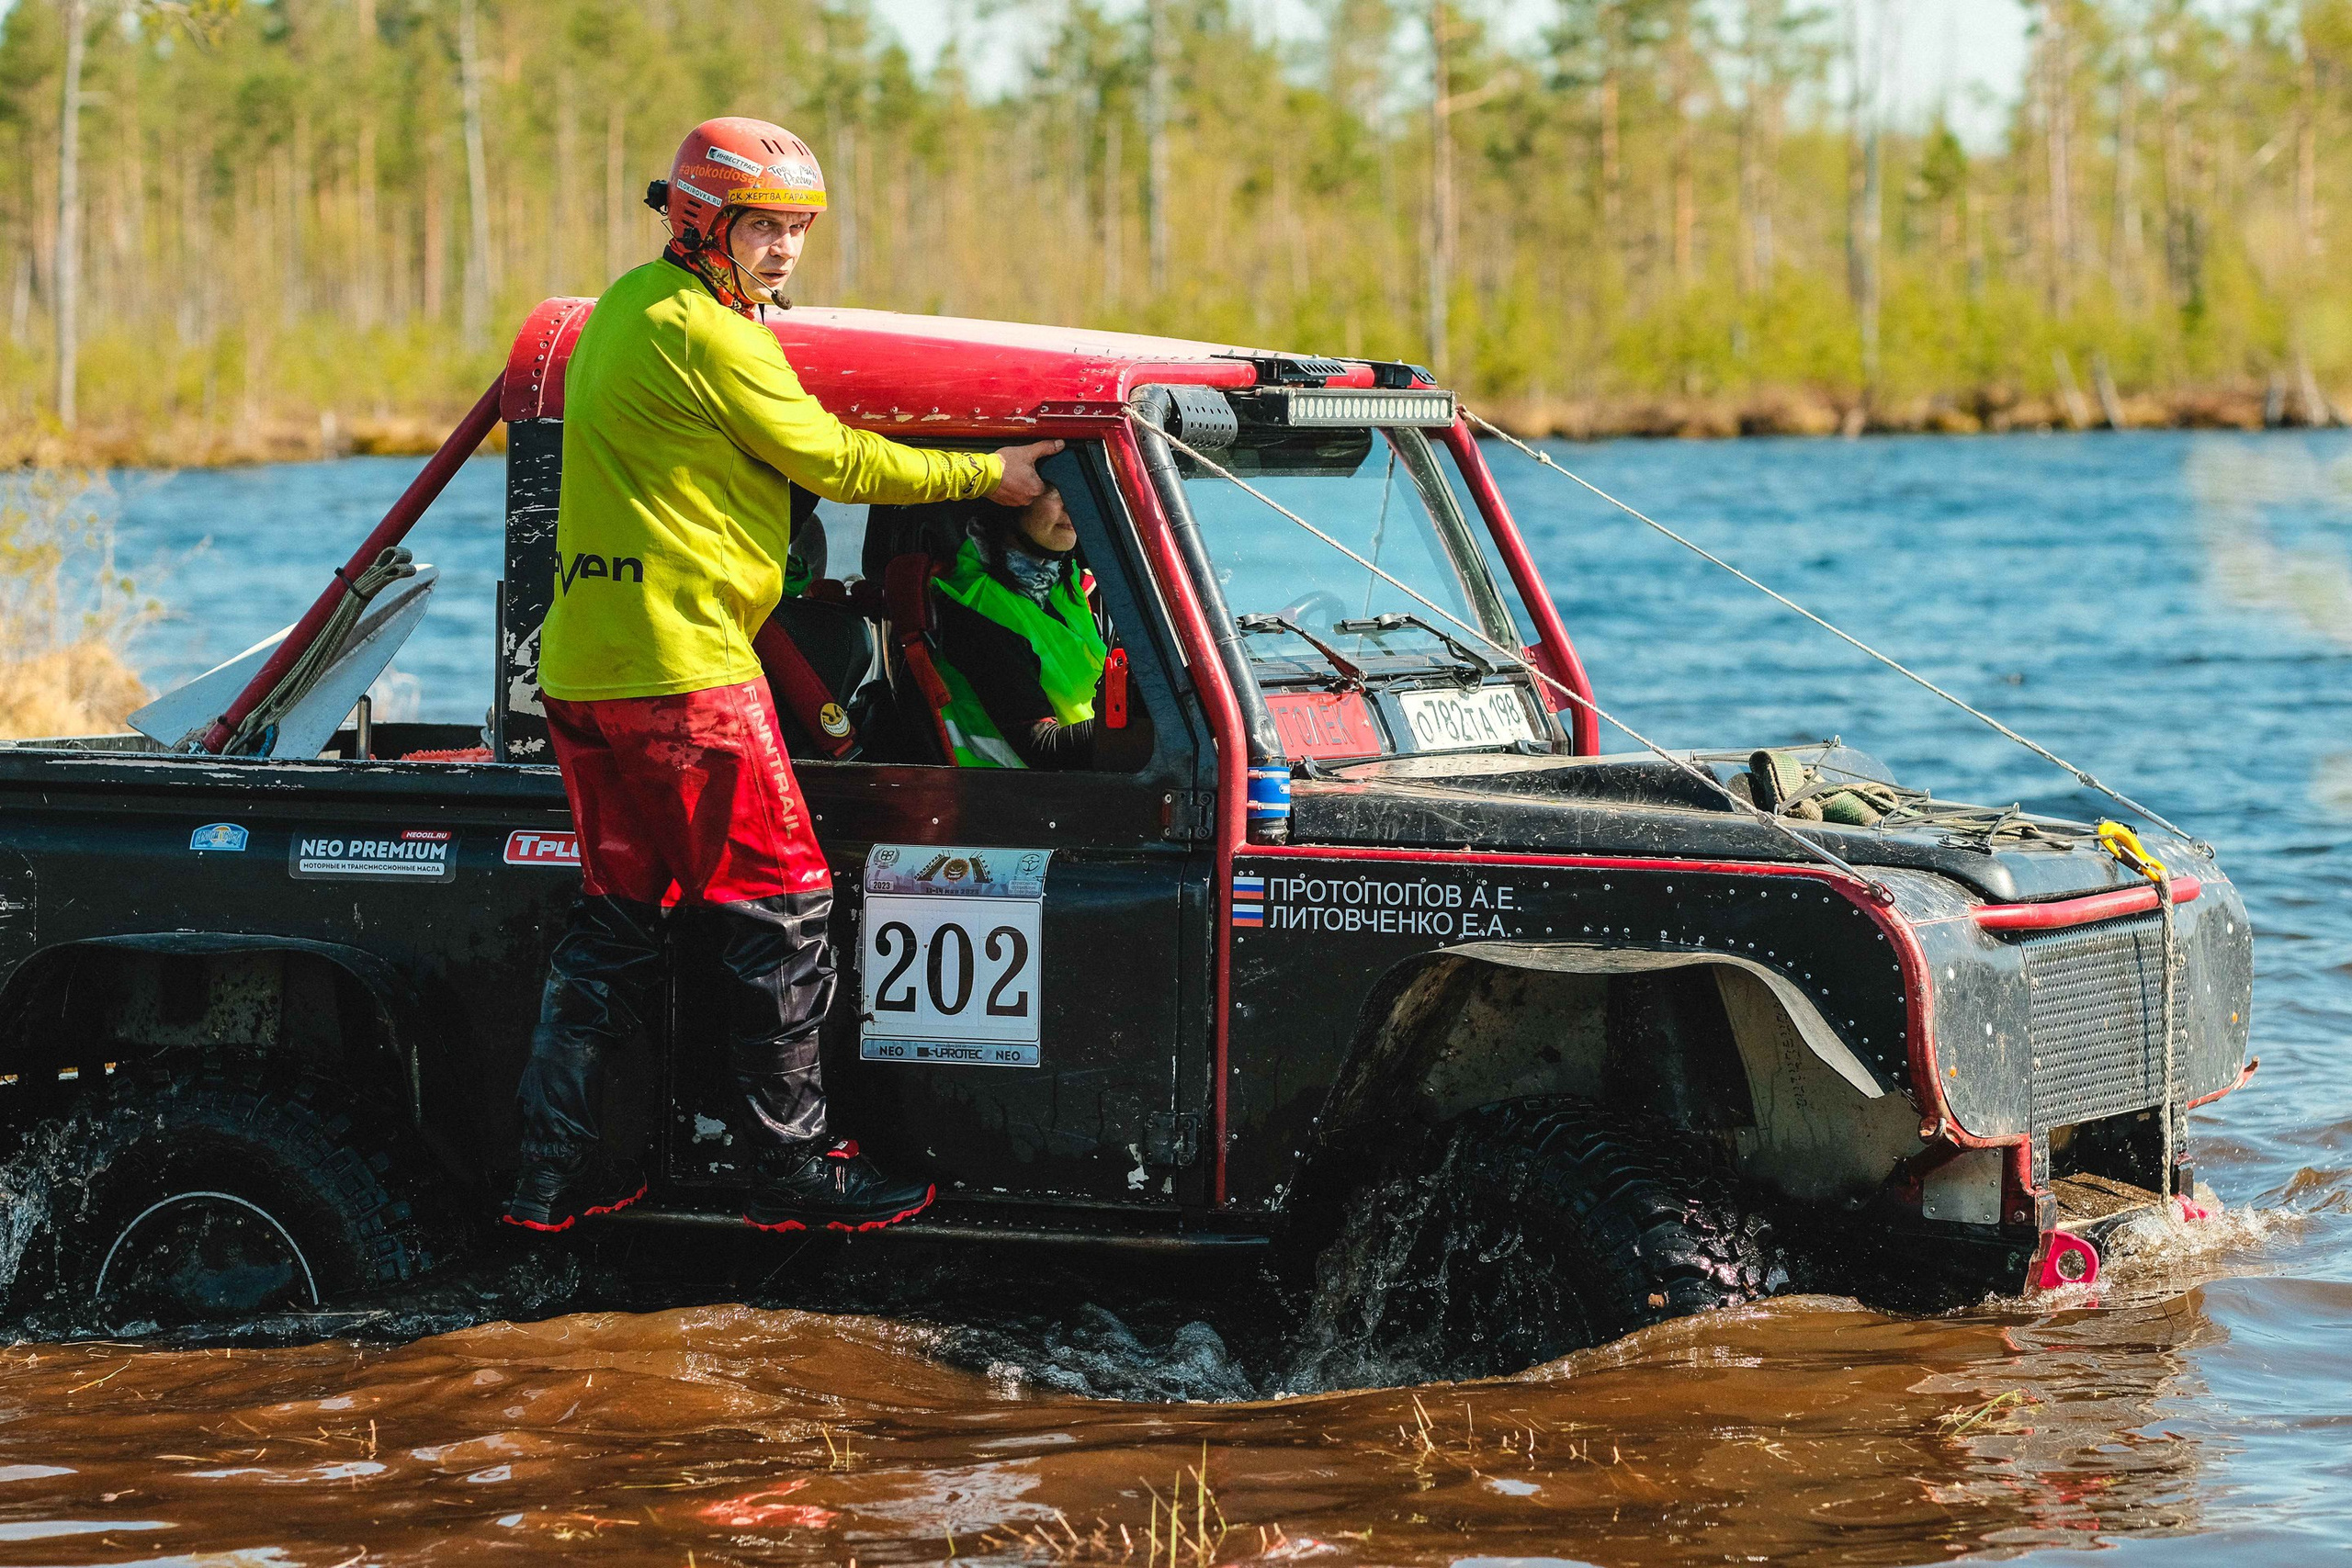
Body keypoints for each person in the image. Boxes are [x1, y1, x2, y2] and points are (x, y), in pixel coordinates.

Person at [503, 116, 1061, 1235]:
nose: (785, 251)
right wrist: (987, 475)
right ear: (702, 222)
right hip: (685, 674)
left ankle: (552, 1178)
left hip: (584, 667)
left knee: (617, 922)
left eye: (800, 229)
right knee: (785, 906)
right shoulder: (715, 337)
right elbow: (834, 460)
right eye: (764, 228)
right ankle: (791, 1169)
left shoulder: (624, 307)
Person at [932, 484, 1107, 770]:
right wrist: (1135, 731)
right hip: (1008, 790)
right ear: (1008, 500)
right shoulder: (978, 608)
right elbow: (1042, 748)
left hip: (1088, 777)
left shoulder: (1061, 580)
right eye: (1054, 489)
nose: (1074, 503)